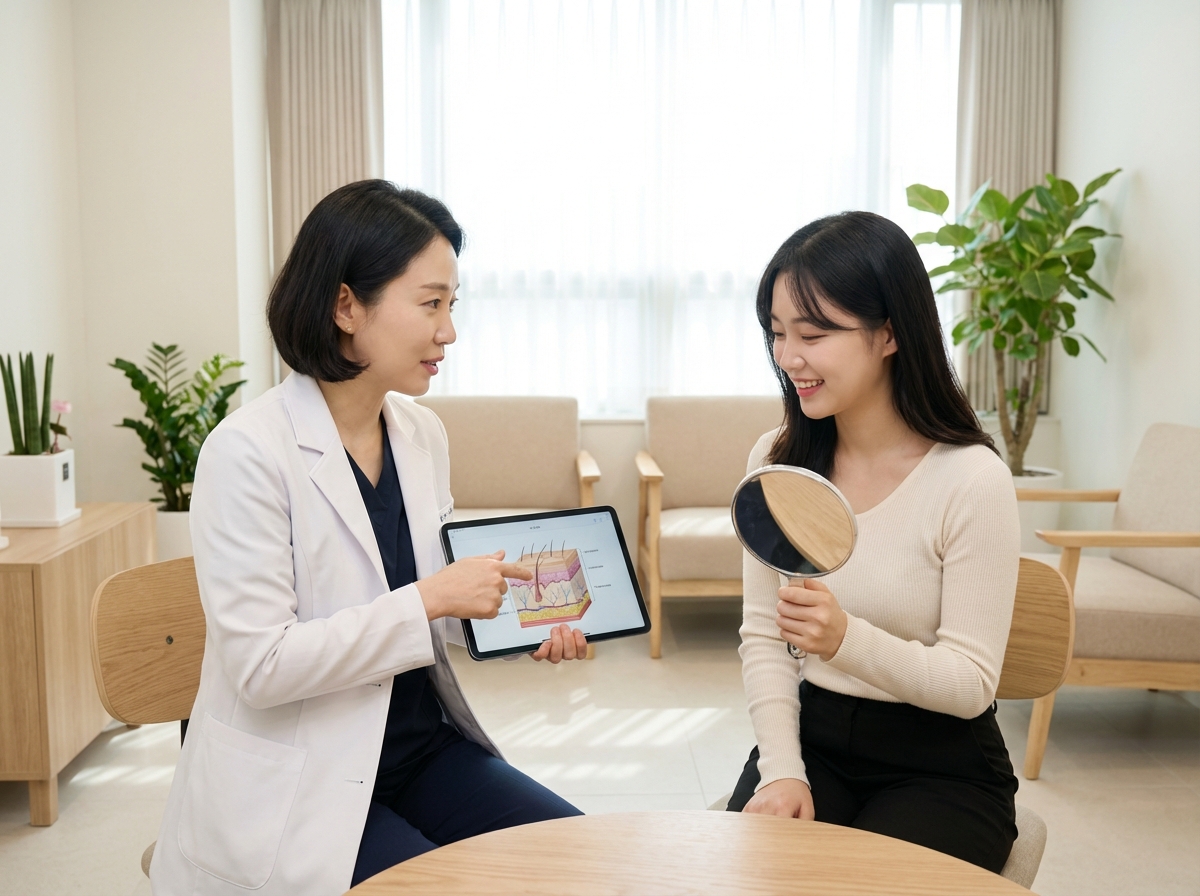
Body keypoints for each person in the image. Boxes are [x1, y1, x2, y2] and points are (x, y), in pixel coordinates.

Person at [149, 181, 587, 896]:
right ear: (346, 305)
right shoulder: (247, 453)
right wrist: (429, 600)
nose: (449, 331)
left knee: (584, 861)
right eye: (431, 303)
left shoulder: (420, 433)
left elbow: (435, 605)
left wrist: (523, 626)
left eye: (453, 306)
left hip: (417, 751)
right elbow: (263, 665)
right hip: (299, 778)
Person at [727, 211, 1021, 874]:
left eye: (814, 333)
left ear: (889, 332)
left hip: (941, 762)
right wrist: (781, 771)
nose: (787, 357)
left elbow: (971, 683)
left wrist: (843, 640)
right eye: (777, 333)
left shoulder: (971, 480)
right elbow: (764, 637)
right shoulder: (776, 462)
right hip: (814, 739)